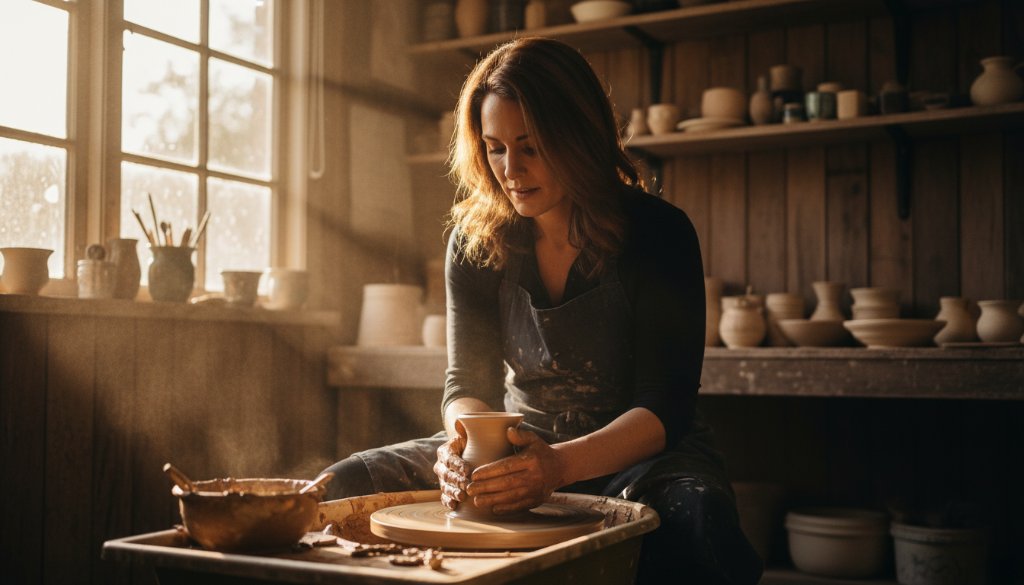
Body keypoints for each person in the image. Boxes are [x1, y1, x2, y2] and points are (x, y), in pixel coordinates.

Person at [322, 37, 762, 585]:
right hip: (517, 444)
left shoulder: (658, 233)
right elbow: (466, 381)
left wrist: (558, 467)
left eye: (530, 146)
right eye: (495, 147)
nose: (511, 169)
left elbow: (664, 408)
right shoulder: (476, 241)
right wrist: (461, 449)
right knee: (343, 484)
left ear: (578, 136)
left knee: (697, 521)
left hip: (638, 453)